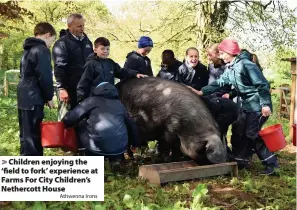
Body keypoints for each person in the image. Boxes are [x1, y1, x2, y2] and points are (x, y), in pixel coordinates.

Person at [195, 38, 279, 175]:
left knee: (252, 134)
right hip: (247, 105)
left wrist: (265, 105)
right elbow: (221, 82)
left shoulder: (247, 65)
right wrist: (202, 91)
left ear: (229, 52)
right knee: (241, 132)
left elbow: (262, 85)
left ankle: (272, 164)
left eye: (222, 53)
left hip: (258, 106)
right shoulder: (232, 67)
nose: (220, 56)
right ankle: (242, 161)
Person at [62, 82, 140, 170]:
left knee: (81, 124)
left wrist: (65, 123)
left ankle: (86, 155)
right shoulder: (119, 104)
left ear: (97, 90)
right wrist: (134, 143)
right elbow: (132, 125)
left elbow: (70, 118)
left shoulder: (91, 101)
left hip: (95, 149)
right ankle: (116, 159)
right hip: (119, 149)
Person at [17, 22, 56, 156]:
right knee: (33, 136)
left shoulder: (27, 50)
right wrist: (49, 97)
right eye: (53, 40)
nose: (51, 43)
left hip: (23, 95)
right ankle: (34, 171)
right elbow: (44, 76)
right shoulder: (42, 50)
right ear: (47, 35)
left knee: (25, 135)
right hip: (33, 95)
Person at [77, 37, 147, 102]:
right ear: (95, 50)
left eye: (107, 49)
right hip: (94, 98)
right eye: (102, 49)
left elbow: (122, 72)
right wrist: (81, 99)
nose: (105, 51)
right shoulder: (91, 64)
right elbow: (84, 82)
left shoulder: (110, 63)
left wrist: (135, 74)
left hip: (109, 97)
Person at [52, 13, 93, 110]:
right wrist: (61, 88)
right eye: (79, 26)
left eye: (83, 25)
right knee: (69, 120)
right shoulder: (61, 44)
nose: (82, 28)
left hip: (86, 88)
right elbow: (59, 66)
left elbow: (92, 63)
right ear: (69, 26)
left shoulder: (88, 42)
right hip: (69, 89)